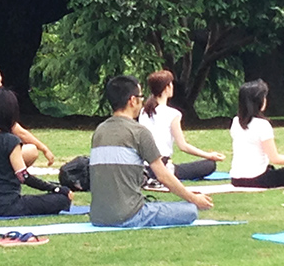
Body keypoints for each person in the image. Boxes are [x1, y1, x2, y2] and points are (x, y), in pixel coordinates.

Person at [89, 76, 212, 227]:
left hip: (98, 216)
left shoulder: (99, 131)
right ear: (132, 100)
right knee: (190, 210)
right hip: (130, 215)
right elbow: (163, 175)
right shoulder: (139, 132)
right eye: (141, 97)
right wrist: (193, 198)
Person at [0, 88, 73, 217]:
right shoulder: (11, 141)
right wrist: (56, 188)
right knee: (61, 199)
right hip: (8, 205)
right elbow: (24, 177)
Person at [139, 70, 224, 183]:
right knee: (209, 165)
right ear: (167, 88)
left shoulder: (143, 112)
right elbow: (183, 146)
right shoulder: (173, 114)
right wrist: (209, 155)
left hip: (144, 165)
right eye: (171, 84)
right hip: (161, 167)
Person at [229, 80, 284, 188]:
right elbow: (275, 158)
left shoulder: (236, 121)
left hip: (236, 179)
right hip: (257, 179)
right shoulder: (262, 125)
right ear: (259, 101)